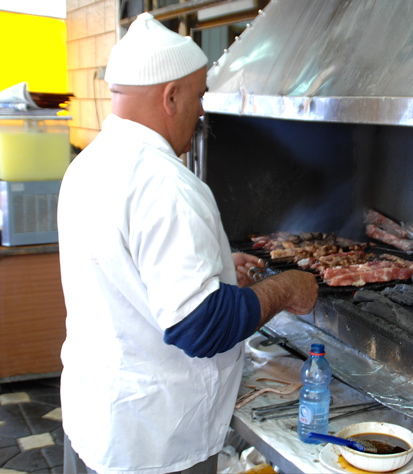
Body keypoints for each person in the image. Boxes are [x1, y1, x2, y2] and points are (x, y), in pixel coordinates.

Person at [57, 12, 318, 474]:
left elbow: (129, 272)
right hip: (156, 443)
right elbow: (198, 327)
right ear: (170, 96)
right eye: (198, 95)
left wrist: (217, 271)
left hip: (100, 415)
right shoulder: (166, 185)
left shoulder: (90, 163)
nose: (201, 110)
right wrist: (285, 289)